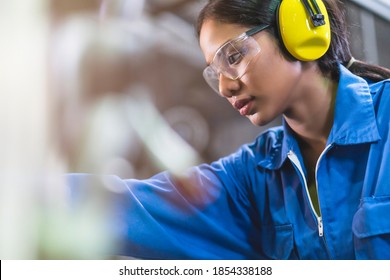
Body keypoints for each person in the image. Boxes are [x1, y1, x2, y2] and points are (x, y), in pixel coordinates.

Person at [67, 0, 390, 259]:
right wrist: (28, 193)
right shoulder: (255, 176)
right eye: (215, 72)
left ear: (298, 29)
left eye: (233, 56)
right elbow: (132, 207)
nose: (223, 88)